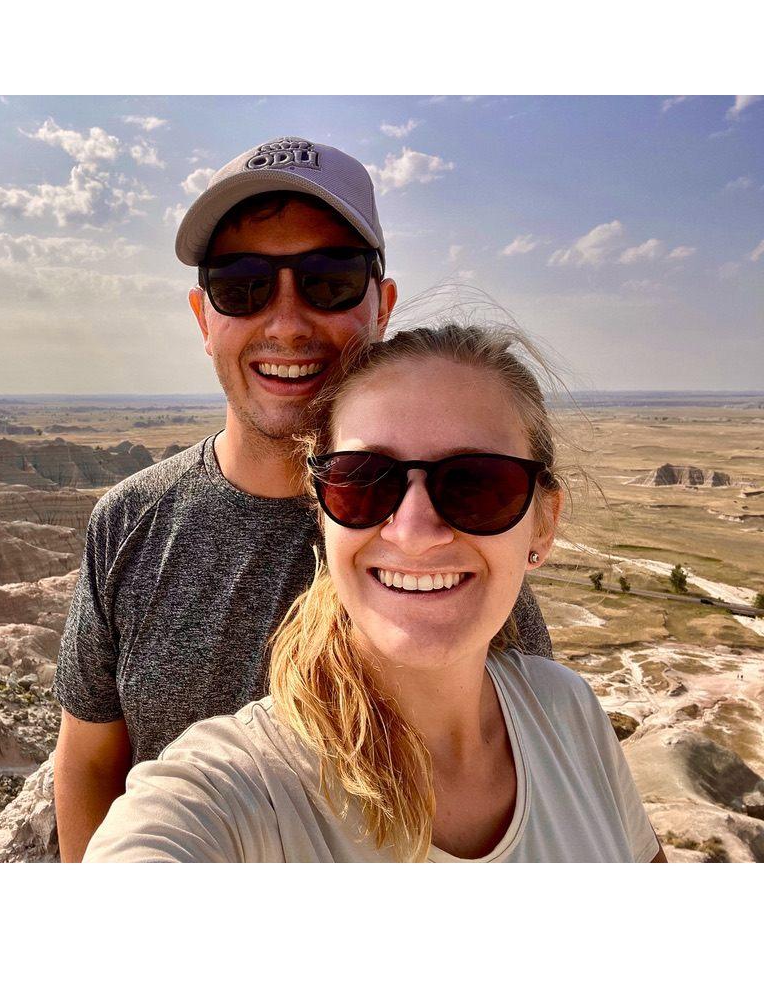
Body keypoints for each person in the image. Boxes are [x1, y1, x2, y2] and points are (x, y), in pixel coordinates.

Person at [52, 137, 555, 862]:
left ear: (381, 306)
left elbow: (526, 763)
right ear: (203, 318)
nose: (286, 322)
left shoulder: (446, 540)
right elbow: (92, 760)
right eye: (242, 286)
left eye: (328, 280)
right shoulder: (130, 523)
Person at [84, 323, 667, 862]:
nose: (413, 532)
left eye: (478, 485)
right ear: (323, 512)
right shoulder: (238, 790)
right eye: (363, 481)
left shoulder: (567, 712)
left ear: (543, 522)